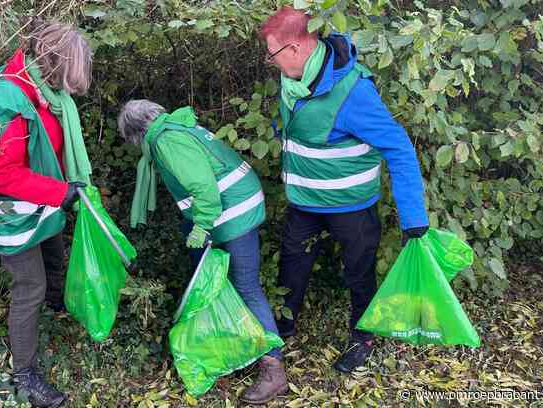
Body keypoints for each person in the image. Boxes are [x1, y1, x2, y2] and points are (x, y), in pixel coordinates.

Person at [259, 7, 430, 373]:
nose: (269, 63)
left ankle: (362, 336)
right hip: (304, 201)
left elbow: (399, 148)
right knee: (292, 262)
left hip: (351, 206)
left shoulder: (353, 93)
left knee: (359, 270)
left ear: (294, 49)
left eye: (272, 54)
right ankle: (282, 328)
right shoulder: (293, 81)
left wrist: (413, 218)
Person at [118, 100, 288, 404]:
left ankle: (274, 369)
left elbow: (203, 187)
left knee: (246, 286)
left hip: (233, 211)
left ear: (136, 135)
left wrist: (201, 226)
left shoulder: (167, 141)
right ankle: (242, 344)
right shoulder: (175, 126)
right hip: (236, 204)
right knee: (226, 283)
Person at [0, 23, 93, 408]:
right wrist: (60, 192)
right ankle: (24, 370)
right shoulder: (10, 100)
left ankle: (56, 308)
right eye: (70, 78)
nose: (71, 90)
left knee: (55, 255)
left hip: (40, 205)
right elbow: (2, 174)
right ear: (54, 63)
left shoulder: (39, 90)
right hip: (11, 213)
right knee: (29, 287)